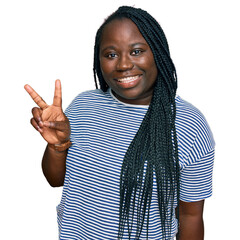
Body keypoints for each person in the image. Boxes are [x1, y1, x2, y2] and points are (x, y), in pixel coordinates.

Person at [24, 6, 215, 240]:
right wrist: (58, 145)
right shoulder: (83, 105)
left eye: (136, 51)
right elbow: (55, 180)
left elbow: (190, 216)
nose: (124, 65)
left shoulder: (188, 125)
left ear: (158, 53)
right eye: (111, 54)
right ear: (99, 59)